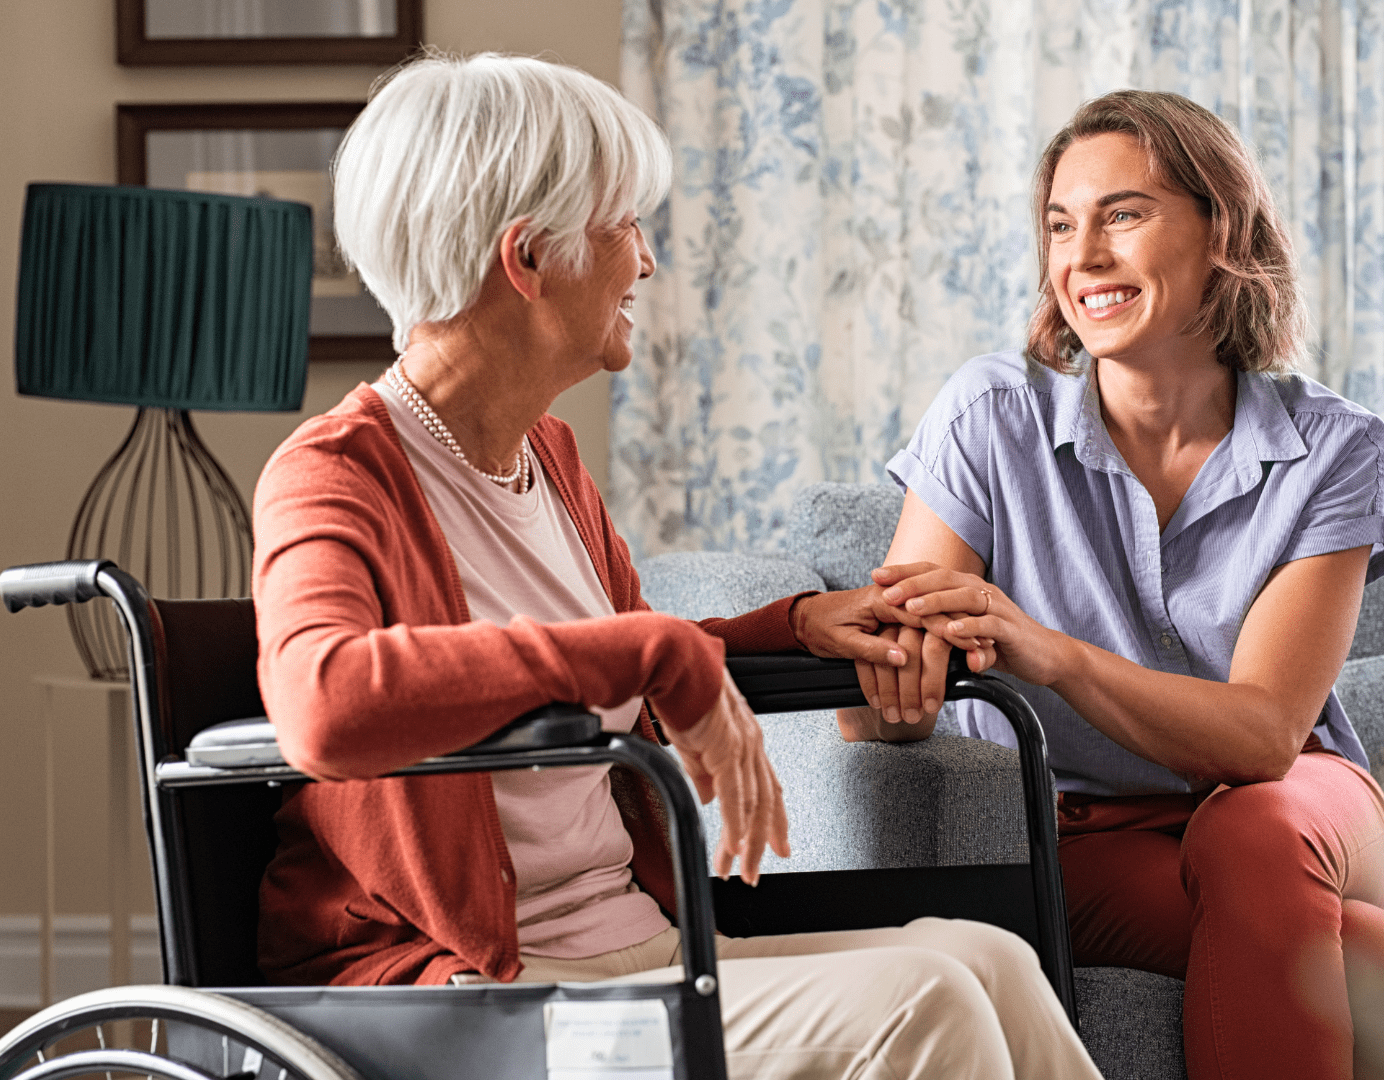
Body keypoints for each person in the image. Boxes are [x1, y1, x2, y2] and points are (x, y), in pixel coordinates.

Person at [251, 51, 1100, 1080]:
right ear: (526, 259)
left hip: (635, 950)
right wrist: (647, 646)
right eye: (622, 229)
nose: (645, 263)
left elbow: (608, 661)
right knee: (919, 1004)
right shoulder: (335, 474)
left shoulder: (548, 461)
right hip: (478, 996)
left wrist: (785, 627)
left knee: (987, 959)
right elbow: (322, 705)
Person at [845, 89, 1384, 1079]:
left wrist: (1054, 656)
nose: (1081, 255)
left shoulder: (1334, 449)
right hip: (1082, 829)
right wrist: (893, 683)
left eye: (1123, 214)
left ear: (1219, 228)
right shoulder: (988, 416)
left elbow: (1263, 738)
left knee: (1257, 832)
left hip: (1298, 804)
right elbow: (885, 686)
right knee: (1352, 962)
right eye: (1060, 224)